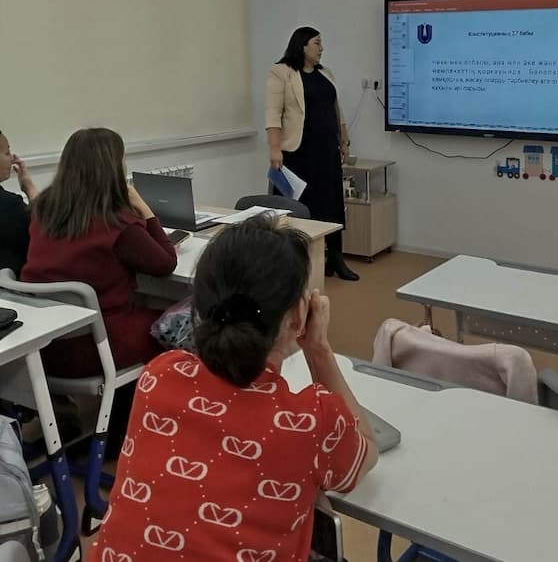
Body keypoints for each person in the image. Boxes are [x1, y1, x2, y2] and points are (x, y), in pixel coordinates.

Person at [90, 215, 379, 561]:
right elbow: (366, 452)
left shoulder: (160, 375)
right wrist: (319, 349)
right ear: (298, 314)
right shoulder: (311, 419)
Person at [22, 128, 177, 454]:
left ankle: (118, 420)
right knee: (176, 321)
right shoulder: (117, 223)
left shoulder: (43, 211)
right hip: (95, 347)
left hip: (40, 348)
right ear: (112, 170)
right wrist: (146, 210)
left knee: (135, 312)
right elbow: (166, 262)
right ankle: (143, 427)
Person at [266, 26, 360, 281]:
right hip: (298, 153)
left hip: (326, 151)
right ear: (302, 45)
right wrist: (274, 149)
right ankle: (297, 262)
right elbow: (272, 115)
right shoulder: (281, 72)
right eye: (317, 43)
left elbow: (337, 110)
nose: (322, 48)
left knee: (332, 204)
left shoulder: (325, 74)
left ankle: (336, 258)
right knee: (300, 207)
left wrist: (344, 141)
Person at [0, 130, 38, 275]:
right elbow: (46, 229)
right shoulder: (10, 205)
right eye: (7, 153)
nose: (12, 159)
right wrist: (30, 188)